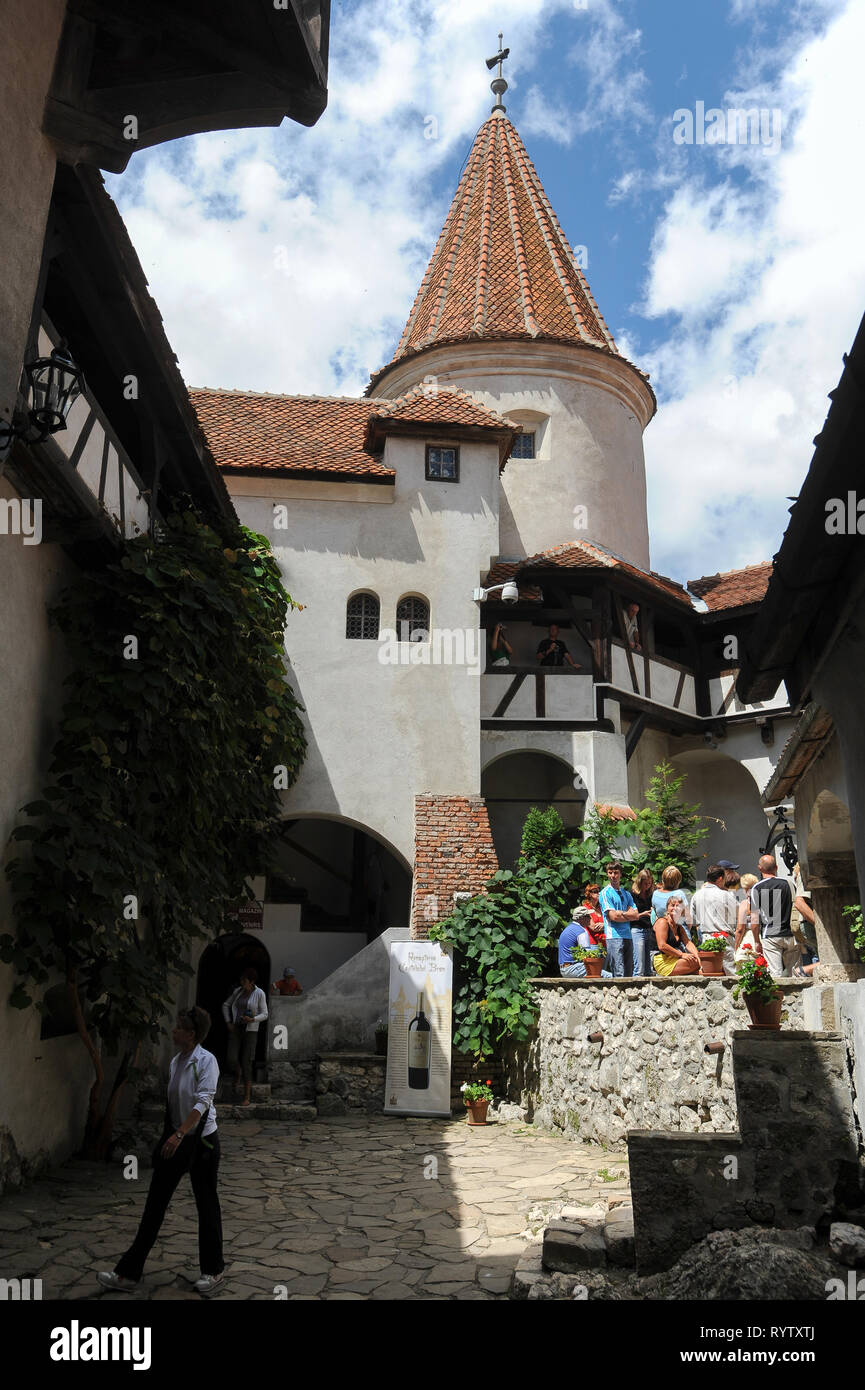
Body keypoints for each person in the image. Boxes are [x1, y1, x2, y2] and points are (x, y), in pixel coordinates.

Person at [97, 1006, 224, 1296]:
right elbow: (173, 1103)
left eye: (179, 1027)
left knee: (206, 1205)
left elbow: (203, 1101)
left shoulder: (207, 1061)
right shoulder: (176, 1061)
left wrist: (181, 1134)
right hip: (176, 1139)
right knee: (154, 1204)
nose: (173, 1031)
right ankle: (127, 1274)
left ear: (191, 1034)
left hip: (202, 1142)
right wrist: (170, 1135)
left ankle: (214, 1271)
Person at [222, 968, 268, 1106]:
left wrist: (252, 1019)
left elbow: (265, 1014)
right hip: (236, 1027)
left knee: (247, 1060)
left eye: (245, 981)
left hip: (251, 1030)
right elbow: (225, 1005)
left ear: (252, 981)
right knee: (231, 1057)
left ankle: (247, 1096)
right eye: (241, 980)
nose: (242, 983)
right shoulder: (238, 991)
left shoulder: (259, 993)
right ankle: (238, 1071)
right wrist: (228, 1021)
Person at [750, 854, 797, 977]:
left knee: (775, 974)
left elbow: (755, 920)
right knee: (796, 973)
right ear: (776, 867)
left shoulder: (757, 888)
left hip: (770, 934)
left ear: (760, 868)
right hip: (791, 933)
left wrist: (756, 941)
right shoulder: (789, 884)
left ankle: (779, 996)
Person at [691, 864, 738, 974]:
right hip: (724, 937)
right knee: (731, 973)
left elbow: (692, 921)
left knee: (711, 974)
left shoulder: (696, 895)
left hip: (706, 937)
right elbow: (739, 913)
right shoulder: (725, 895)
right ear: (720, 878)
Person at [598, 861, 638, 977]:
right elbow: (613, 916)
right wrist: (626, 914)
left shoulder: (626, 894)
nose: (613, 876)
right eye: (610, 873)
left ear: (620, 874)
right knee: (618, 974)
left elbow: (635, 915)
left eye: (616, 873)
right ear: (607, 874)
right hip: (614, 936)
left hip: (628, 936)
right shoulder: (605, 893)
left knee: (629, 973)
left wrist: (621, 913)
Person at [652, 896, 701, 976]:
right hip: (662, 960)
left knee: (699, 961)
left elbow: (688, 943)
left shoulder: (679, 927)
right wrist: (682, 955)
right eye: (672, 905)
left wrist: (697, 955)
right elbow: (662, 946)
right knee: (697, 963)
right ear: (667, 908)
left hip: (674, 958)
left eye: (678, 906)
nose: (675, 908)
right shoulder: (662, 922)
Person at [559, 906, 603, 977]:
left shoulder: (568, 928)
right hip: (573, 968)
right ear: (582, 918)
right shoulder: (581, 931)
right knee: (609, 976)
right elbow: (588, 955)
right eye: (588, 916)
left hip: (564, 969)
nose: (590, 918)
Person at [651, 866, 693, 938]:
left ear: (663, 878)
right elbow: (688, 917)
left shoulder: (655, 894)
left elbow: (655, 914)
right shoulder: (679, 894)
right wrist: (686, 932)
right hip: (679, 932)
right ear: (678, 880)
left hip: (663, 932)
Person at [631, 868, 656, 977]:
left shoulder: (650, 894)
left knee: (648, 967)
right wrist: (642, 914)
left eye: (650, 883)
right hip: (637, 929)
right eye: (645, 883)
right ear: (640, 882)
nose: (648, 886)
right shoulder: (632, 895)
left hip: (648, 929)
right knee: (639, 966)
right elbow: (630, 915)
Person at [734, 872, 762, 961]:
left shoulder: (744, 903)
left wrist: (736, 947)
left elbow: (740, 929)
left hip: (749, 938)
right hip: (763, 938)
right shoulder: (763, 901)